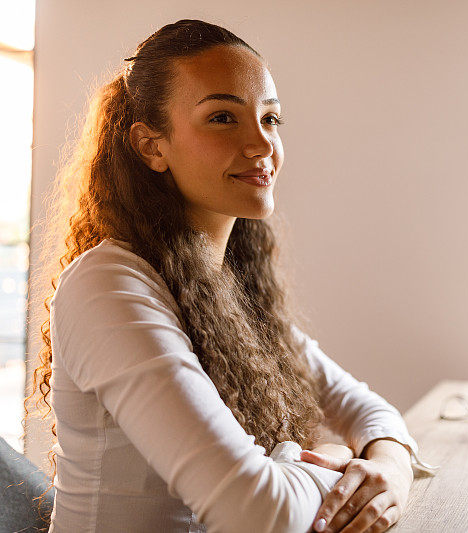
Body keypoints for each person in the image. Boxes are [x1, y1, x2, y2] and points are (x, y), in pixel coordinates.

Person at [24, 19, 437, 533]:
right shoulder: (108, 286)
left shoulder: (225, 285)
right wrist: (325, 462)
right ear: (152, 146)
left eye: (271, 119)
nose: (262, 144)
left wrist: (391, 469)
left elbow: (367, 408)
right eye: (223, 117)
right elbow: (258, 511)